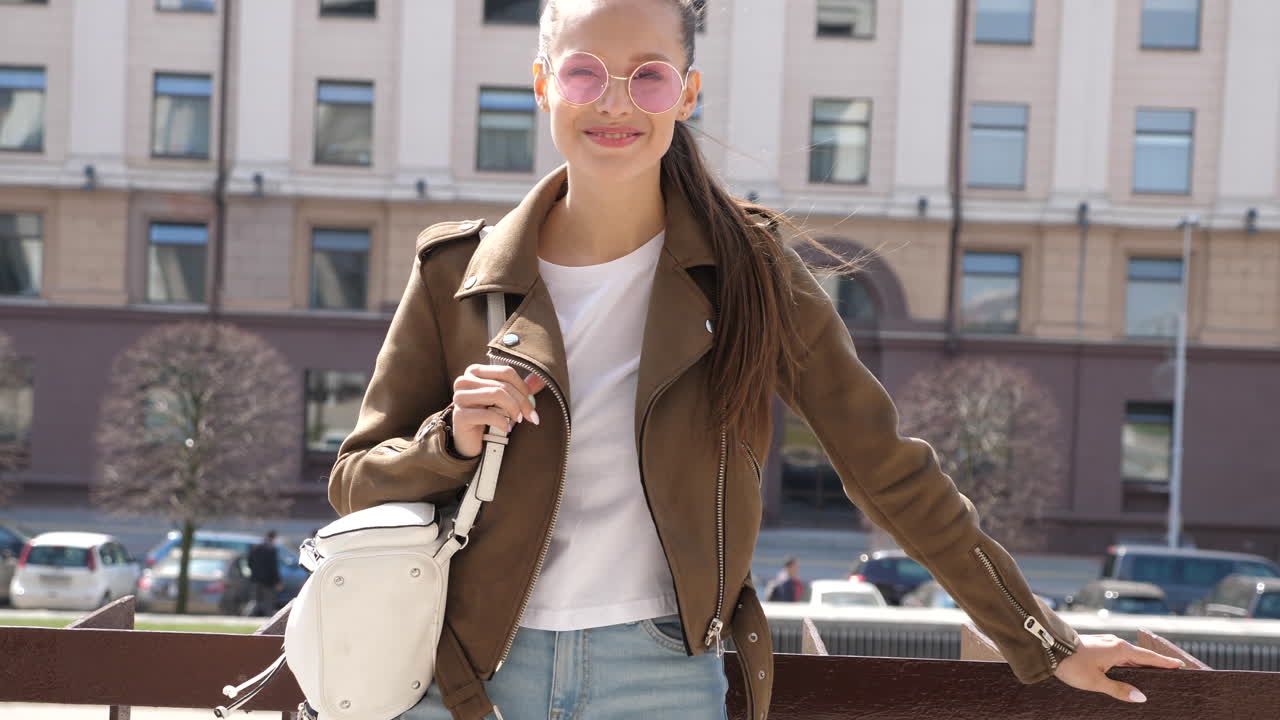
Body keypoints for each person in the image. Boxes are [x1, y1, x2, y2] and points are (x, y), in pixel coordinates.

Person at [328, 1, 1185, 718]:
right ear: (544, 83)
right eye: (585, 72)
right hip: (468, 672)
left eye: (649, 75)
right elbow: (354, 480)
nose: (615, 101)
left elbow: (887, 469)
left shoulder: (753, 272)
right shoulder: (457, 273)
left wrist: (1044, 639)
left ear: (686, 93)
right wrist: (450, 442)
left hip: (657, 678)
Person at [246, 530, 282, 617]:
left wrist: (254, 572)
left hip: (255, 579)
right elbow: (273, 567)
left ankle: (249, 615)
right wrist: (277, 581)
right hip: (268, 581)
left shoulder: (255, 548)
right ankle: (268, 617)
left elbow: (249, 562)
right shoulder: (271, 549)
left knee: (255, 600)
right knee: (268, 601)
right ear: (274, 538)